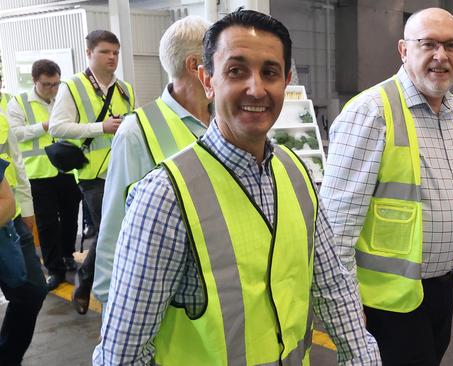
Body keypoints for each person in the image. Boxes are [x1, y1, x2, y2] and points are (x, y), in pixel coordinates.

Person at [93, 10, 380, 365]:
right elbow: (124, 351)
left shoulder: (296, 173)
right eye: (236, 71)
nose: (256, 88)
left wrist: (361, 355)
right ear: (207, 79)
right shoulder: (164, 196)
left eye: (270, 73)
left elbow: (332, 284)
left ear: (286, 81)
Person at [321, 8, 453, 365]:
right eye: (428, 44)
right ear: (404, 50)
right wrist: (345, 305)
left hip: (439, 289)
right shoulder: (372, 111)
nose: (441, 56)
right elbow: (336, 224)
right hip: (385, 299)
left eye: (451, 45)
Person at [92, 16, 212, 306]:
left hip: (217, 284)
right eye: (221, 56)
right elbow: (116, 221)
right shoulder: (137, 132)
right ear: (195, 65)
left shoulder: (225, 120)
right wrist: (111, 299)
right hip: (166, 294)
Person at [50, 29, 135, 314]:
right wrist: (100, 127)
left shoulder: (124, 88)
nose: (112, 58)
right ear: (89, 53)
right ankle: (89, 283)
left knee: (122, 229)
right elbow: (58, 126)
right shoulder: (72, 86)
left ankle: (110, 282)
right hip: (92, 175)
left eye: (115, 52)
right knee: (110, 230)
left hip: (124, 169)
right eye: (105, 52)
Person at [7, 59, 82, 291]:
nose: (53, 89)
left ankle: (68, 255)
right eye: (47, 85)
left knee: (71, 215)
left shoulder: (64, 97)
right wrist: (44, 126)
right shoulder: (19, 103)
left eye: (57, 83)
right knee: (48, 224)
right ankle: (55, 269)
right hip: (38, 174)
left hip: (66, 169)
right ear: (35, 81)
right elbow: (15, 134)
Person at [0, 115, 47, 366]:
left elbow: (15, 161)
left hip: (11, 220)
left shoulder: (0, 118)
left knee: (32, 291)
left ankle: (8, 358)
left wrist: (26, 208)